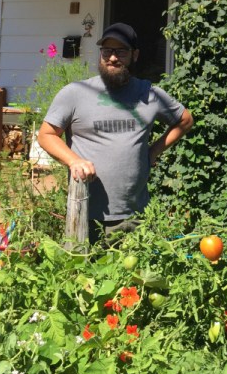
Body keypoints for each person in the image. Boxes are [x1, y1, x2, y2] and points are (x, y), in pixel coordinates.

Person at [37, 22, 194, 243]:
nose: (112, 57)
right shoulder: (75, 93)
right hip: (86, 213)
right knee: (85, 275)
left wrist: (154, 152)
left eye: (121, 51)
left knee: (135, 277)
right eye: (107, 51)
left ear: (135, 55)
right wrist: (74, 161)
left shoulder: (149, 94)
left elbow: (185, 120)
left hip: (135, 215)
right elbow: (46, 135)